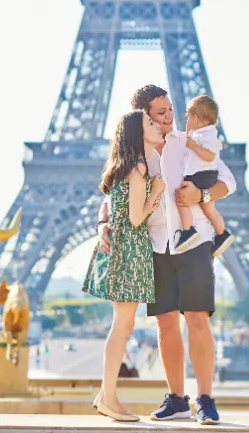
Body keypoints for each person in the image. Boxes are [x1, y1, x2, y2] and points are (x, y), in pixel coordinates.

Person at [97, 85, 236, 425]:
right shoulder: (135, 154)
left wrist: (201, 192)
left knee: (199, 319)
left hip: (195, 241)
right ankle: (177, 398)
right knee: (166, 323)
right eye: (160, 113)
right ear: (144, 116)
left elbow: (228, 182)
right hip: (155, 245)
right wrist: (102, 222)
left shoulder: (185, 143)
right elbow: (112, 193)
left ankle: (205, 398)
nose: (169, 117)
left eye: (171, 110)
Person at [83, 110, 166, 422]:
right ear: (137, 133)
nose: (157, 126)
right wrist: (155, 192)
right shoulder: (139, 168)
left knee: (124, 324)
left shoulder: (124, 166)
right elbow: (135, 218)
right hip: (129, 251)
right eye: (150, 123)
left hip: (122, 250)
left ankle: (106, 394)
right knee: (122, 326)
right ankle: (110, 398)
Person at [175, 95, 234, 257]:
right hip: (203, 175)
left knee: (181, 199)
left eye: (188, 116)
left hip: (200, 176)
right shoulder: (198, 135)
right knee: (209, 209)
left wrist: (201, 194)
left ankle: (188, 231)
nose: (185, 119)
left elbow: (211, 157)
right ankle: (222, 234)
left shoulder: (205, 137)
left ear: (196, 118)